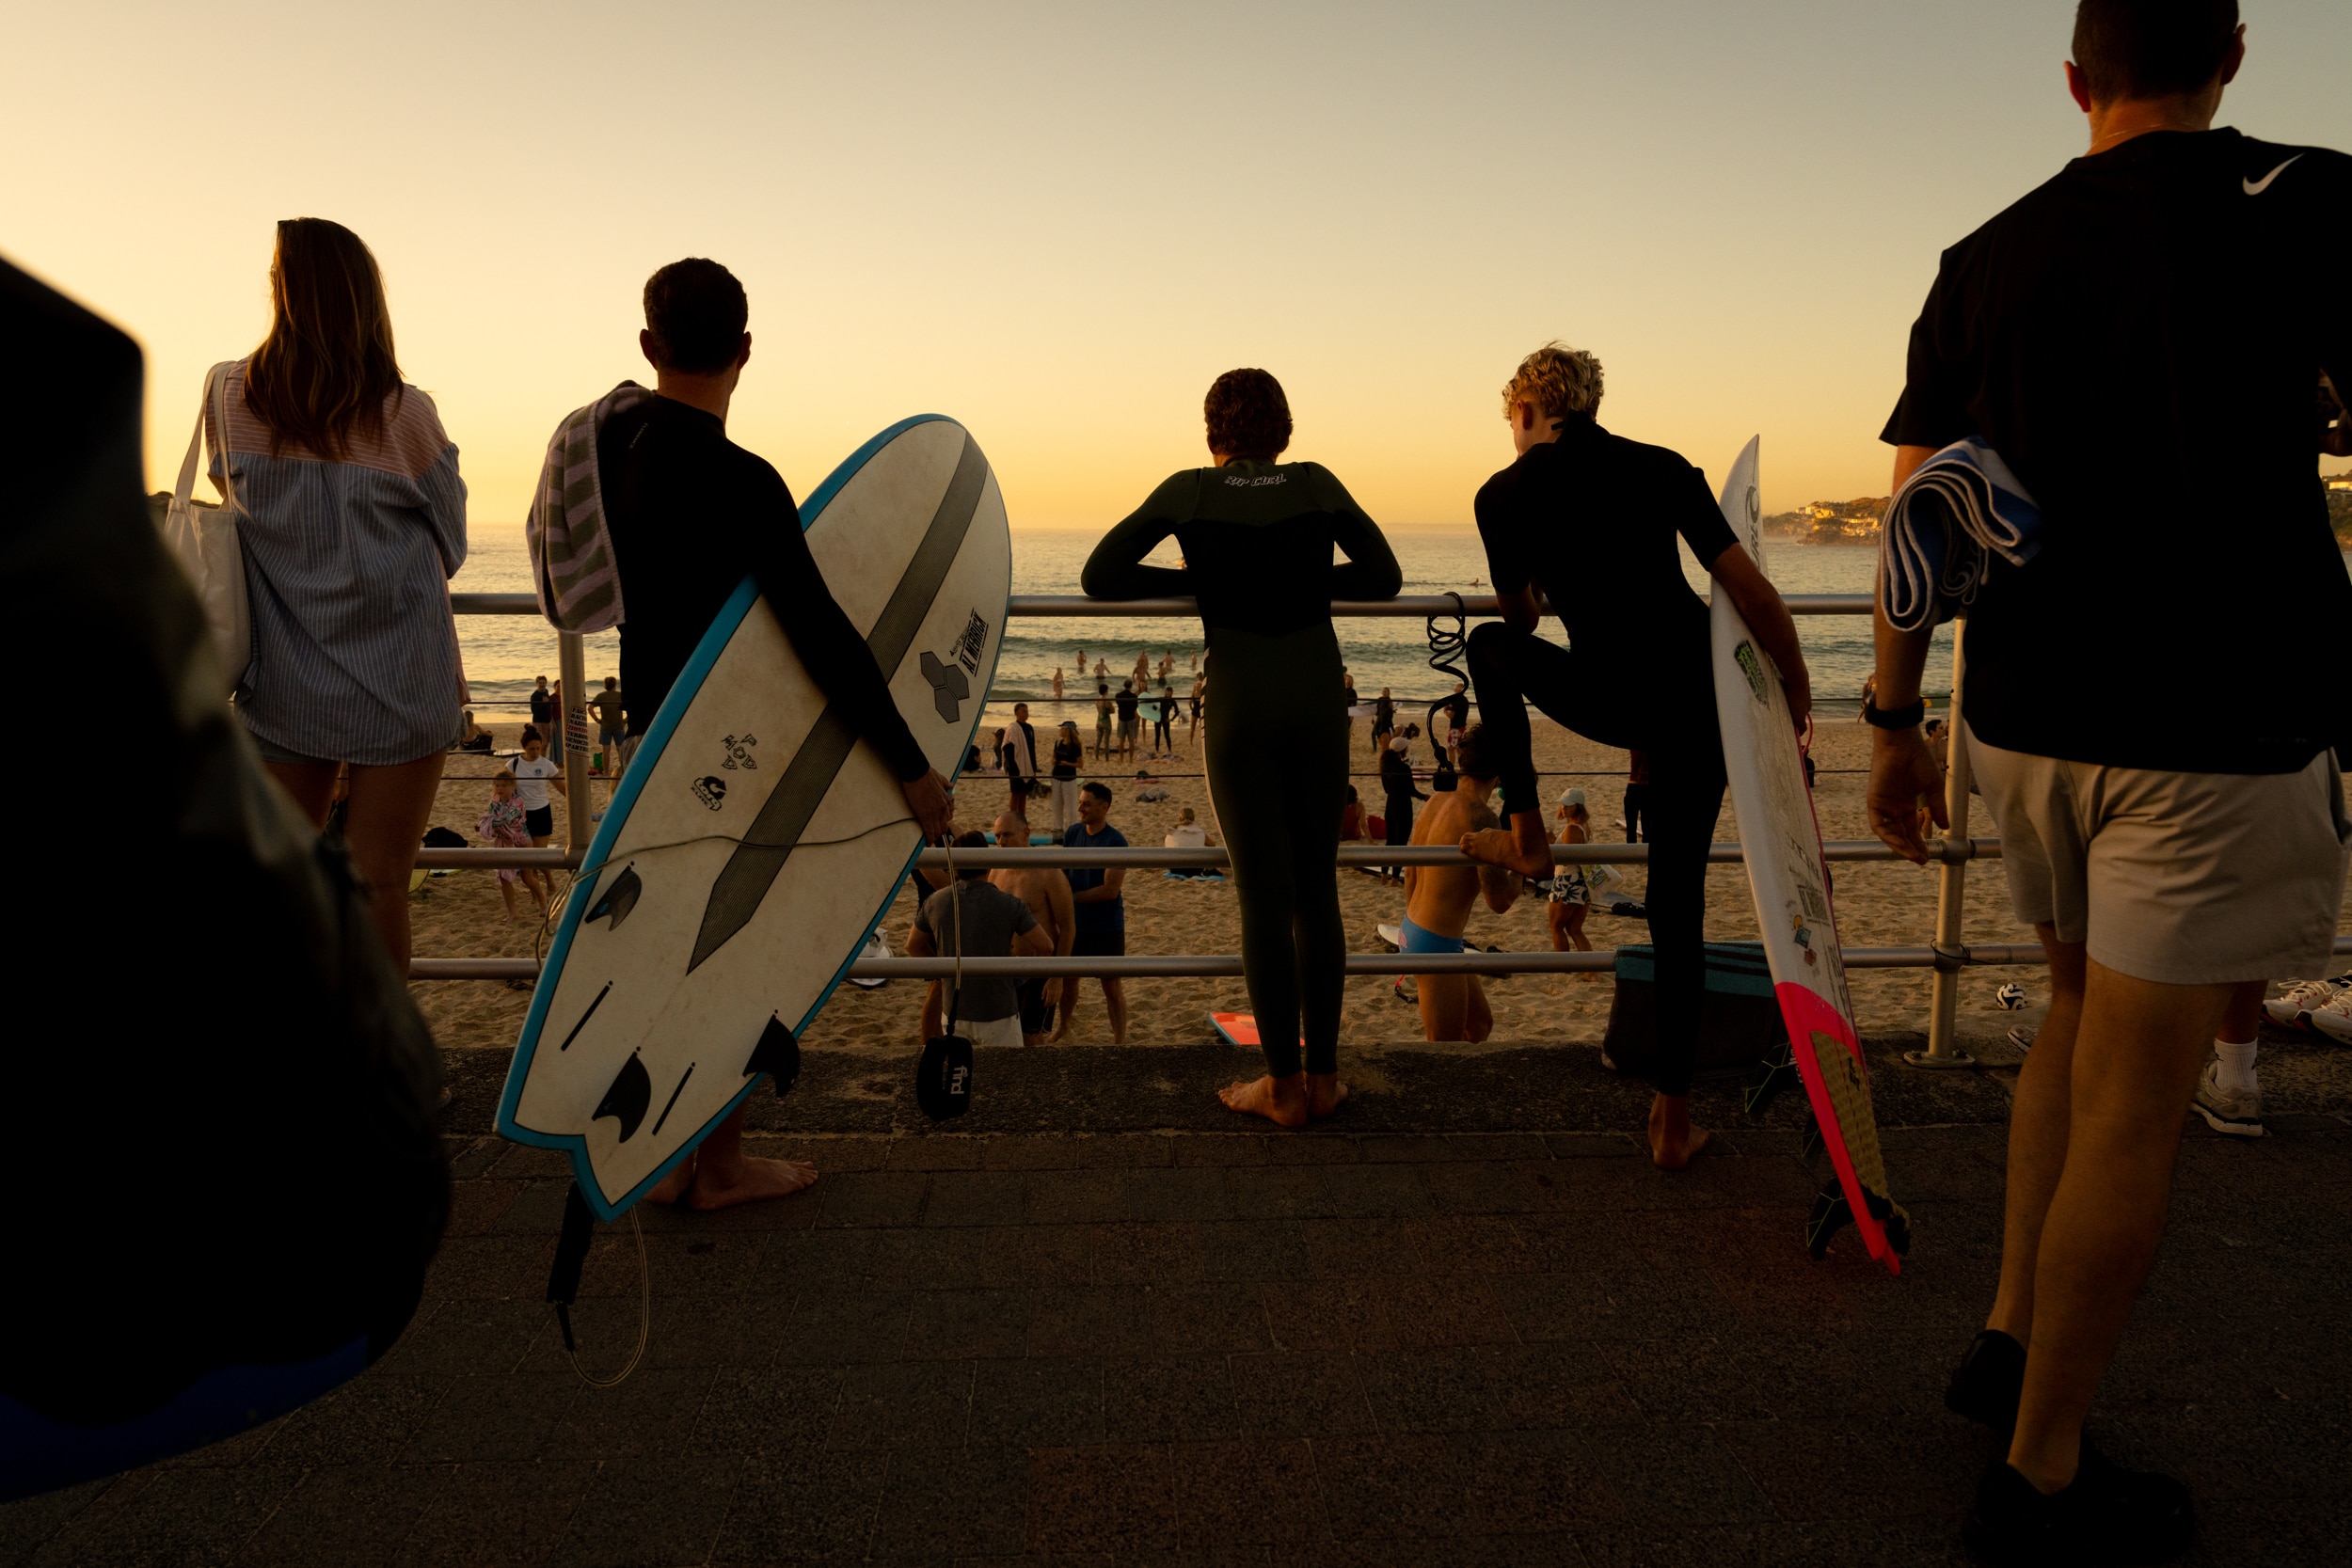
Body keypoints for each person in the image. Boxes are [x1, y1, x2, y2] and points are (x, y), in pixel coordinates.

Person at [1867, 8, 2351, 1557]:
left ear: (2075, 77)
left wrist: (1888, 716)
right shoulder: (2312, 200)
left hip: (2021, 721)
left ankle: (2006, 1337)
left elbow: (1918, 514)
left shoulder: (1985, 253)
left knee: (2071, 1021)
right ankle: (2043, 1478)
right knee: (2137, 1106)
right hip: (2206, 732)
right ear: (2233, 54)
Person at [564, 257, 950, 1211]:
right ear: (745, 352)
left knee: (660, 945)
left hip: (647, 736)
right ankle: (722, 1164)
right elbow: (820, 631)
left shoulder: (607, 456)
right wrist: (910, 765)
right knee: (733, 948)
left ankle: (655, 1159)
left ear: (649, 346)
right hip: (735, 755)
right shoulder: (743, 480)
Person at [1457, 341, 1811, 1172]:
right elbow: (1754, 596)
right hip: (1696, 702)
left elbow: (1523, 619)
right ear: (1589, 403)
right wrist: (1794, 706)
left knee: (1486, 648)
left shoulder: (1502, 494)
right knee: (1674, 901)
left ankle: (1528, 831)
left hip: (1610, 696)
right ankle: (1673, 1120)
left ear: (1525, 412)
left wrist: (1551, 573)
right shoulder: (1662, 467)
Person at [1083, 367, 1402, 1124]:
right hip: (1318, 696)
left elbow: (1101, 575)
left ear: (1211, 431)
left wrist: (1212, 583)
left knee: (1263, 895)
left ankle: (1282, 1088)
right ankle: (1324, 1080)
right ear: (1283, 429)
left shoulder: (1189, 489)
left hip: (1239, 702)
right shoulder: (1315, 482)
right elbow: (1385, 577)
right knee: (1316, 889)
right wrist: (1301, 584)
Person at [202, 218, 469, 975]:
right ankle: (380, 1077)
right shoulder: (404, 414)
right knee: (379, 880)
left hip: (285, 677)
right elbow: (449, 541)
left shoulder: (228, 395)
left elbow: (232, 505)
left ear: (281, 295)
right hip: (401, 680)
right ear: (365, 301)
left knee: (285, 882)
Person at [1400, 724, 1520, 1042]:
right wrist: (1520, 867)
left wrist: (1413, 935)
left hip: (1414, 927)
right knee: (1444, 1050)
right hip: (1434, 943)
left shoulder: (1438, 799)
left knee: (1479, 1027)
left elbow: (1410, 872)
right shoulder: (1481, 818)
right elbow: (1500, 901)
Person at [907, 831, 1054, 1052]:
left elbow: (913, 946)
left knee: (959, 1081)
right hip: (999, 1010)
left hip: (955, 1009)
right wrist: (1017, 977)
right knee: (1003, 1078)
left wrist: (945, 970)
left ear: (954, 867)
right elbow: (1046, 947)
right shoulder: (1009, 904)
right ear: (988, 864)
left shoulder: (936, 902)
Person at [986, 812, 1074, 1046]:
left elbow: (1067, 927)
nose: (1001, 841)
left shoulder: (1048, 872)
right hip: (1005, 967)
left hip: (1039, 967)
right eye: (997, 836)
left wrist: (1056, 978)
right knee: (1004, 1035)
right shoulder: (996, 872)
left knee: (1032, 1038)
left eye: (1007, 834)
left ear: (1026, 833)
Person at [1055, 782, 1131, 1043]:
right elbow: (1063, 871)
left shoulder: (1116, 841)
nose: (1080, 808)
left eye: (1086, 803)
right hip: (1075, 923)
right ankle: (1064, 1026)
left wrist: (1071, 898)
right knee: (1068, 980)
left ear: (1104, 807)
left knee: (1111, 986)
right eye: (1080, 802)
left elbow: (1110, 890)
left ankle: (1120, 1039)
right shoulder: (1073, 832)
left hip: (1106, 924)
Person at [477, 769, 548, 923]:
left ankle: (543, 901)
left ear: (512, 786)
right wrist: (484, 825)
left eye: (504, 785)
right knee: (504, 878)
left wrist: (486, 823)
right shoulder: (494, 802)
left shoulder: (518, 801)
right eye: (497, 785)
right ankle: (512, 912)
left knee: (527, 877)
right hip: (504, 841)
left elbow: (506, 820)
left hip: (521, 840)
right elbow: (493, 822)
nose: (500, 788)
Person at [1548, 787, 1596, 965]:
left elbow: (1566, 859)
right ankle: (1591, 969)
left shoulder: (1572, 829)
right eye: (1562, 804)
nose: (1564, 808)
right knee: (1575, 929)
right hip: (1582, 882)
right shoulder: (1584, 827)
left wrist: (1550, 843)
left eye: (1569, 805)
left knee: (1556, 927)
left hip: (1567, 881)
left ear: (1578, 807)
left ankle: (1564, 967)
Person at [512, 716, 565, 849]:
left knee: (539, 856)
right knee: (525, 859)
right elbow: (501, 789)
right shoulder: (513, 765)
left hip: (541, 812)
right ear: (524, 748)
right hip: (521, 814)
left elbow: (563, 789)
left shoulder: (547, 765)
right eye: (531, 749)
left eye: (538, 748)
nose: (535, 752)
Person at [1379, 731, 1423, 886]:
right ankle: (1395, 879)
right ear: (1402, 751)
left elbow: (1386, 789)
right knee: (1401, 843)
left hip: (1390, 806)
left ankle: (1384, 876)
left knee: (1390, 842)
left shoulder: (1385, 767)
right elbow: (1411, 791)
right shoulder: (1404, 768)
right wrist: (1425, 797)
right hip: (1403, 807)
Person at [1003, 701, 1040, 815]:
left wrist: (1033, 766)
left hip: (1028, 764)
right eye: (1023, 711)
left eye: (1027, 711)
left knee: (1024, 793)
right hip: (1015, 766)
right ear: (1017, 713)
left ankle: (1021, 816)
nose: (1026, 713)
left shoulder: (1029, 728)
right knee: (1016, 793)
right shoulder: (1013, 728)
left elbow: (1031, 748)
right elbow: (1008, 748)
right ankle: (1013, 816)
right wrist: (1012, 767)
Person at [1047, 721, 1083, 832]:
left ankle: (1072, 827)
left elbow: (1080, 764)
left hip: (1069, 778)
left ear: (1066, 731)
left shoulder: (1075, 746)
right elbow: (1053, 756)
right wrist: (1053, 760)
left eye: (1062, 729)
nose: (1060, 731)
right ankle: (1057, 826)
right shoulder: (1058, 742)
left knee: (1070, 805)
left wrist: (1067, 764)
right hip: (1056, 776)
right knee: (1057, 804)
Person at [589, 676, 627, 777]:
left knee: (606, 750)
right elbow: (630, 707)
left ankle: (606, 772)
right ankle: (623, 770)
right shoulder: (620, 695)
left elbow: (590, 708)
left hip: (605, 726)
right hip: (619, 725)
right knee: (620, 750)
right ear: (615, 685)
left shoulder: (601, 696)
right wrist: (626, 720)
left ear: (605, 685)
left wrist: (597, 720)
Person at [1621, 749, 1650, 842]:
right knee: (1646, 831)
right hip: (1642, 787)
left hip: (1636, 787)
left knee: (1633, 832)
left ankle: (1634, 854)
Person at [1114, 680, 1141, 761]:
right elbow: (1135, 708)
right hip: (1131, 718)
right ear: (1131, 686)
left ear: (1124, 685)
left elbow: (1118, 704)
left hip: (1122, 718)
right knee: (1131, 740)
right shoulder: (1134, 697)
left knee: (1121, 740)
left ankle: (1121, 758)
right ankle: (1131, 759)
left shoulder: (1118, 695)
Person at [1152, 685, 1177, 755]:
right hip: (1158, 718)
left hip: (1166, 719)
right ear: (1165, 692)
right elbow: (1153, 703)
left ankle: (1169, 750)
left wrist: (1171, 719)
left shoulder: (1172, 701)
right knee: (1157, 735)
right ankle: (1157, 750)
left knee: (1167, 735)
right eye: (1167, 692)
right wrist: (1155, 711)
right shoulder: (1161, 699)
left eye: (1170, 692)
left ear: (1172, 693)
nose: (1169, 693)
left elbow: (1177, 711)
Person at [1372, 686, 1395, 756]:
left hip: (1385, 721)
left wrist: (1392, 728)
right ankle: (1375, 748)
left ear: (1388, 693)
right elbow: (1377, 709)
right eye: (1383, 691)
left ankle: (1385, 748)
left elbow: (1390, 717)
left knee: (1383, 735)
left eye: (1385, 691)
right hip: (1379, 719)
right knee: (1373, 733)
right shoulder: (1380, 699)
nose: (1384, 693)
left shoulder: (1389, 701)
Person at [1094, 682, 1114, 759]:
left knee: (1098, 739)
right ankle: (1106, 757)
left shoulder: (1096, 700)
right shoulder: (1107, 701)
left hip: (1099, 720)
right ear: (1106, 691)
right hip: (1106, 721)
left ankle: (1096, 755)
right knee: (1106, 741)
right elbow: (1112, 711)